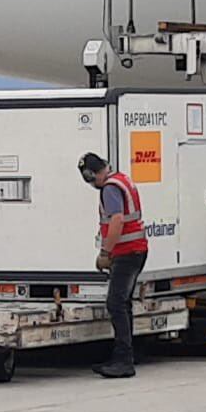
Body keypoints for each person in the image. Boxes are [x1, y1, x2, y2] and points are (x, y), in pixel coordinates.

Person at [78, 152, 148, 379]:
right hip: (135, 250)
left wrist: (105, 253)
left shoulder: (109, 188)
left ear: (92, 174)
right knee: (123, 303)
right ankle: (125, 356)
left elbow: (117, 219)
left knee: (115, 303)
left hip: (127, 253)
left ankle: (124, 360)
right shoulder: (122, 179)